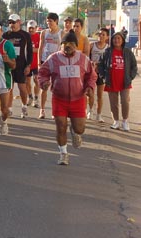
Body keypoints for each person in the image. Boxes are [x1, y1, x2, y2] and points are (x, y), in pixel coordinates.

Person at [38, 30, 97, 165]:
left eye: (71, 43)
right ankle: (63, 153)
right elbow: (42, 73)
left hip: (78, 99)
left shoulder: (83, 59)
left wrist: (89, 87)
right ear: (61, 45)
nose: (68, 46)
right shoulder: (53, 58)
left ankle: (75, 132)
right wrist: (44, 82)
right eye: (65, 43)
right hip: (59, 99)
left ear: (76, 46)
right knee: (60, 126)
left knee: (80, 128)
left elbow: (91, 76)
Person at [98, 31, 138, 131]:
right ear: (112, 40)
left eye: (119, 38)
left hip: (125, 82)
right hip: (111, 81)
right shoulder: (107, 52)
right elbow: (100, 65)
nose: (116, 40)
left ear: (122, 40)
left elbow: (134, 66)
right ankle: (116, 121)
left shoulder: (128, 52)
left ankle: (125, 121)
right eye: (115, 38)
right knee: (113, 103)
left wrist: (130, 77)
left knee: (125, 101)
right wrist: (103, 76)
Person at [3, 14, 32, 119]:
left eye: (14, 22)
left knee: (22, 88)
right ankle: (9, 108)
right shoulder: (5, 35)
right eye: (10, 23)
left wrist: (28, 65)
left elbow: (29, 52)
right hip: (9, 65)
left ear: (19, 22)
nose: (12, 25)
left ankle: (24, 106)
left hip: (21, 65)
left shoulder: (25, 35)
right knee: (9, 89)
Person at [38, 12, 62, 119]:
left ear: (56, 21)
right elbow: (40, 47)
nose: (49, 23)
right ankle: (42, 110)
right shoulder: (44, 32)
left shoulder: (62, 33)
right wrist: (39, 62)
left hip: (56, 63)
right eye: (47, 21)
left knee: (56, 88)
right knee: (44, 87)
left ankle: (55, 110)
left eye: (50, 21)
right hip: (45, 62)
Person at [87, 27, 109, 122]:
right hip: (91, 72)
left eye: (103, 34)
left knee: (100, 95)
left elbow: (109, 61)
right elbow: (86, 58)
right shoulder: (92, 45)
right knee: (90, 93)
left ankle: (99, 114)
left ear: (107, 37)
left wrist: (102, 65)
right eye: (99, 34)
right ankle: (90, 111)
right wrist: (92, 62)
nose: (101, 36)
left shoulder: (108, 48)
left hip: (101, 74)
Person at [26, 20, 40, 108]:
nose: (31, 30)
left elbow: (40, 49)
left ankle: (36, 98)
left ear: (36, 28)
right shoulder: (25, 37)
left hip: (36, 63)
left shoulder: (39, 36)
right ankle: (30, 97)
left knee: (36, 80)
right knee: (27, 81)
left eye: (33, 28)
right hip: (27, 63)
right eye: (29, 28)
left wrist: (31, 50)